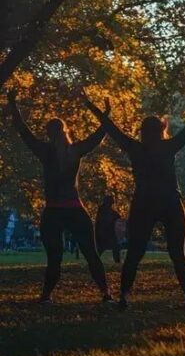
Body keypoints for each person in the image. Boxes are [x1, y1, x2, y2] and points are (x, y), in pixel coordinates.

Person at [79, 89, 185, 310]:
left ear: (143, 132)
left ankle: (125, 297)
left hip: (144, 203)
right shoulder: (168, 146)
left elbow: (110, 128)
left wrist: (93, 106)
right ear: (161, 131)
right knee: (176, 253)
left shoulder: (135, 148)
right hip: (170, 202)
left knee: (135, 253)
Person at [7, 89, 111, 302]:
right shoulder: (75, 150)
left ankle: (46, 296)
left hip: (54, 210)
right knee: (90, 254)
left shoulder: (45, 151)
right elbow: (99, 134)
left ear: (48, 133)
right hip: (74, 208)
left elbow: (24, 131)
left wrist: (13, 105)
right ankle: (106, 294)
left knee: (54, 258)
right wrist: (106, 113)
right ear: (65, 131)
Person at [95, 195, 122, 264]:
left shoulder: (111, 212)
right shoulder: (102, 211)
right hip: (103, 234)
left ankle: (117, 262)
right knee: (100, 249)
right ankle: (94, 262)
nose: (110, 204)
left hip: (108, 234)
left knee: (115, 247)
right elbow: (99, 223)